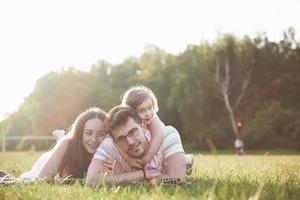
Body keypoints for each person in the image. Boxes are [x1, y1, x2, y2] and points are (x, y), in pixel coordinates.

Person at [86, 105, 187, 185]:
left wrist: (123, 178)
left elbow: (178, 179)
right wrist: (140, 175)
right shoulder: (109, 144)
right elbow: (91, 180)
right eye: (121, 138)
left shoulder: (168, 134)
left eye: (133, 132)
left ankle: (186, 160)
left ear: (143, 126)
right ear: (115, 142)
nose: (130, 142)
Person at [20, 107, 107, 180]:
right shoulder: (68, 143)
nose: (94, 139)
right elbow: (42, 178)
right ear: (80, 133)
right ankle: (60, 136)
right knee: (64, 143)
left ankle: (60, 136)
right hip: (48, 161)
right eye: (88, 133)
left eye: (101, 134)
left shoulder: (109, 150)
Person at [120, 85, 164, 169]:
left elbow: (157, 137)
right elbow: (115, 142)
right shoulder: (127, 123)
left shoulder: (153, 119)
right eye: (142, 111)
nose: (148, 113)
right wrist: (129, 159)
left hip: (156, 150)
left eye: (150, 107)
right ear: (130, 112)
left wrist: (145, 159)